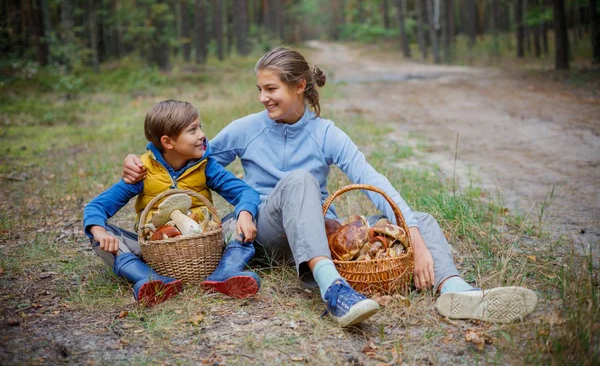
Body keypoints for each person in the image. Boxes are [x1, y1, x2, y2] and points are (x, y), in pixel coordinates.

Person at [122, 47, 538, 325]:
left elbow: (372, 179)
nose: (264, 98)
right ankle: (333, 291)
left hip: (316, 232)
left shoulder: (326, 133)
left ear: (299, 86)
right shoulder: (245, 129)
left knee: (419, 219)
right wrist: (140, 163)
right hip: (266, 234)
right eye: (260, 90)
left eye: (272, 89)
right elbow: (182, 158)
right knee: (300, 180)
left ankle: (455, 290)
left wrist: (412, 232)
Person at [84, 100, 262, 306]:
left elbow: (245, 193)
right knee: (101, 236)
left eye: (200, 127)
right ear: (168, 142)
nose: (202, 135)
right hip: (154, 251)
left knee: (238, 221)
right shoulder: (143, 171)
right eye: (192, 130)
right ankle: (150, 279)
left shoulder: (206, 166)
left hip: (204, 244)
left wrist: (245, 214)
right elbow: (96, 207)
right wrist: (99, 230)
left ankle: (226, 273)